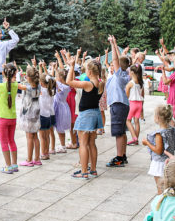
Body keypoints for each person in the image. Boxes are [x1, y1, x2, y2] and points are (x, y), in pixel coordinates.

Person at [64, 49, 105, 179]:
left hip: (86, 115)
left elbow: (69, 82)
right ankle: (93, 169)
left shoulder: (88, 84)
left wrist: (71, 66)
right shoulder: (101, 83)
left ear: (90, 71)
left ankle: (84, 171)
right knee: (92, 143)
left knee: (83, 143)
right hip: (95, 113)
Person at [105, 36, 131, 168]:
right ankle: (123, 155)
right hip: (122, 104)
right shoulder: (124, 73)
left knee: (118, 133)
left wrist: (112, 44)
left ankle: (119, 157)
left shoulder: (119, 74)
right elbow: (121, 59)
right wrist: (115, 44)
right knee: (122, 131)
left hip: (118, 104)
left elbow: (116, 59)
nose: (111, 64)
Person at [142, 104, 175, 194]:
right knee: (168, 187)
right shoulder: (171, 130)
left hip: (160, 163)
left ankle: (160, 205)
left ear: (158, 118)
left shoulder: (159, 134)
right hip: (169, 161)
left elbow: (158, 150)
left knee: (161, 188)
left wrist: (147, 143)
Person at [0, 63, 21, 173]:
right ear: (15, 74)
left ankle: (8, 166)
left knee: (4, 142)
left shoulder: (0, 86)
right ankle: (14, 165)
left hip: (2, 118)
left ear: (3, 74)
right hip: (12, 118)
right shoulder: (15, 85)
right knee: (11, 141)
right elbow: (13, 80)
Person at [18, 64, 42, 167]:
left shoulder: (27, 87)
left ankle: (29, 159)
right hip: (36, 111)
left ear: (28, 77)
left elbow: (17, 85)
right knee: (35, 135)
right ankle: (37, 158)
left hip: (29, 112)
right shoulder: (39, 85)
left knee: (29, 137)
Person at [51, 52, 72, 154]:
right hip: (64, 106)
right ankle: (62, 144)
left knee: (59, 127)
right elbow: (61, 70)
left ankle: (62, 145)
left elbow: (53, 79)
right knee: (60, 128)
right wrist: (58, 61)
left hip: (58, 107)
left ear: (59, 77)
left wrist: (54, 69)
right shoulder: (67, 85)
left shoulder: (59, 86)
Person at [37, 63, 56, 161]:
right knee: (47, 136)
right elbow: (44, 78)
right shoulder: (50, 91)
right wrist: (41, 68)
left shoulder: (41, 91)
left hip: (41, 116)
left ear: (41, 83)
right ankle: (47, 152)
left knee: (42, 137)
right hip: (48, 115)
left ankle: (43, 153)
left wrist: (39, 67)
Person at [125, 64, 145, 146]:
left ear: (132, 72)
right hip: (139, 104)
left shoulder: (130, 83)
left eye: (129, 71)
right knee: (137, 122)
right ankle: (136, 140)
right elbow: (143, 96)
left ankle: (134, 137)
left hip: (132, 104)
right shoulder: (141, 83)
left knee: (128, 121)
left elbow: (126, 95)